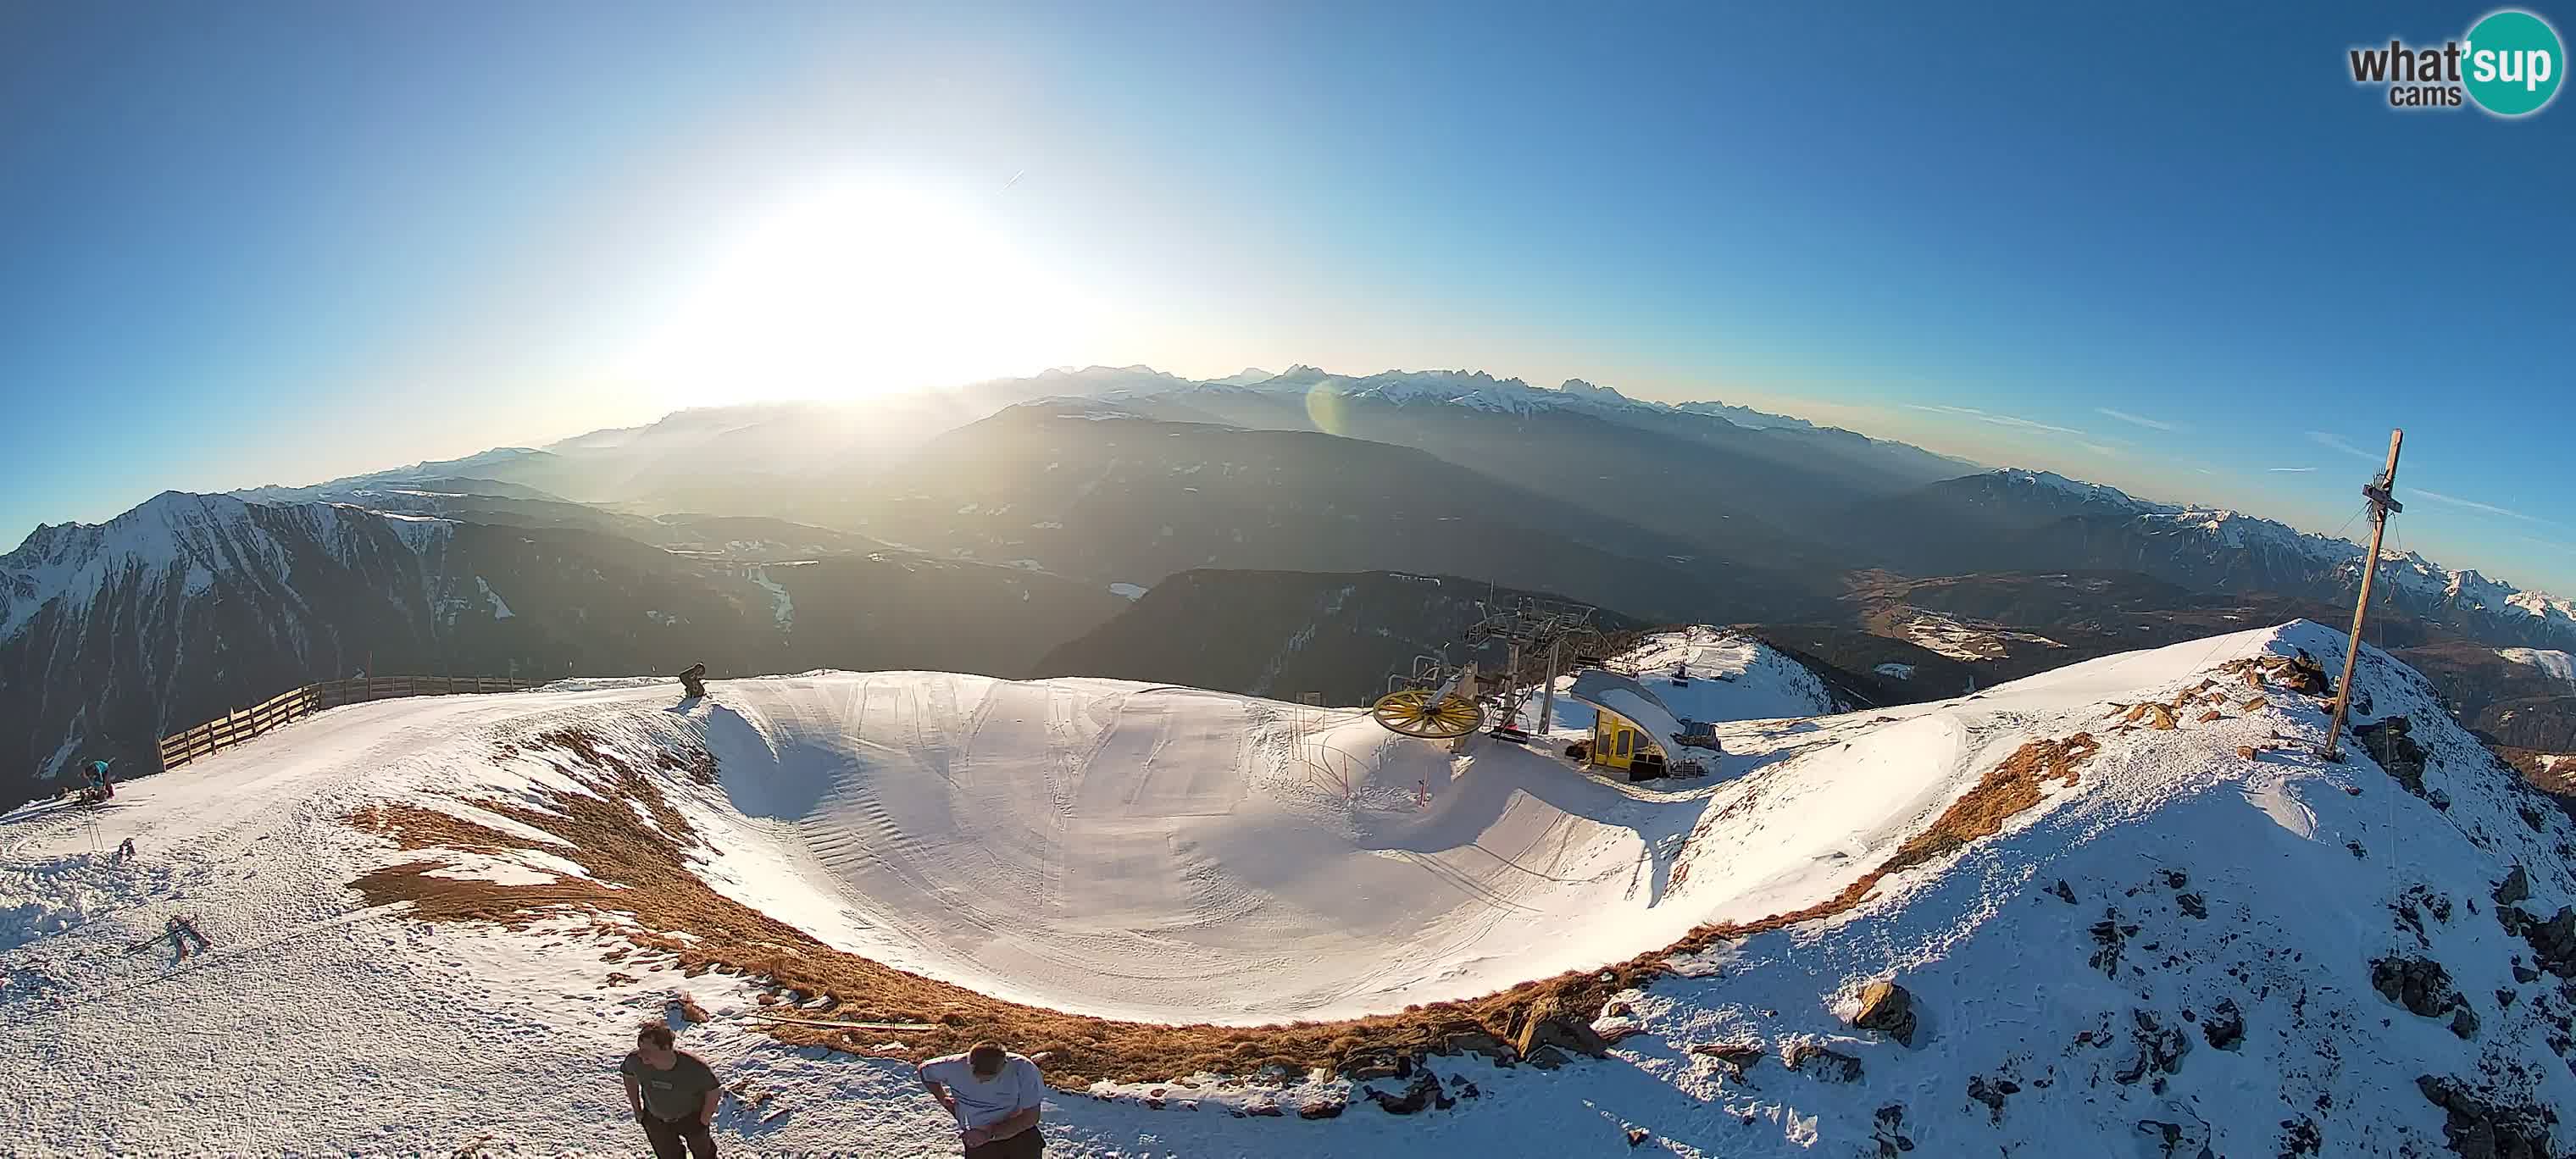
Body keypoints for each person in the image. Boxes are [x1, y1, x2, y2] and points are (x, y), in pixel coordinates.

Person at [918, 1041, 1044, 1157]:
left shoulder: (1023, 1068)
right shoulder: (953, 1065)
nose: (981, 1081)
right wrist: (943, 1099)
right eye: (976, 1074)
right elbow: (925, 1071)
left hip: (1017, 1129)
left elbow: (1031, 1117)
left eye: (990, 1076)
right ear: (969, 1062)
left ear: (1005, 1064)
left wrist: (989, 1134)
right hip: (977, 1135)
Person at [620, 1022, 720, 1159]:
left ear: (666, 1047)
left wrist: (704, 1120)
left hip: (691, 1117)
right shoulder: (635, 1062)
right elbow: (628, 1075)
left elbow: (713, 1091)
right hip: (656, 1119)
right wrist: (637, 1109)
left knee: (704, 1154)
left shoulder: (694, 1067)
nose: (642, 1055)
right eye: (640, 1049)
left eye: (648, 1051)